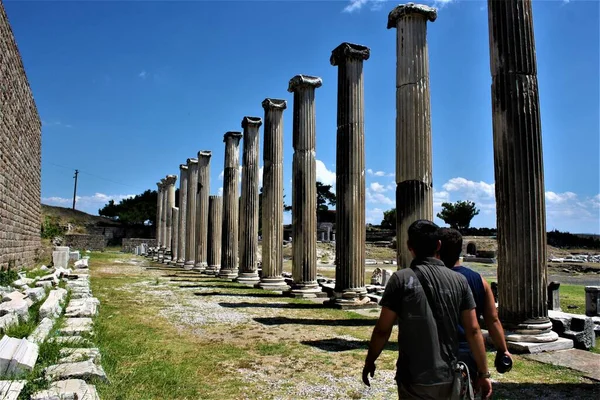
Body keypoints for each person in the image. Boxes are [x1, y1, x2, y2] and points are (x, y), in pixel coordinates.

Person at [363, 220, 492, 399]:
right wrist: (484, 373)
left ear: (409, 246)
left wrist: (370, 360)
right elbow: (473, 330)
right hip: (448, 374)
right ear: (438, 245)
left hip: (413, 376)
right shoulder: (459, 281)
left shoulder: (400, 280)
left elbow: (383, 330)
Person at [438, 227, 512, 379]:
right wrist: (503, 350)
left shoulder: (433, 280)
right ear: (460, 249)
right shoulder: (479, 280)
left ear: (437, 247)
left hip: (438, 349)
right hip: (468, 351)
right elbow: (492, 319)